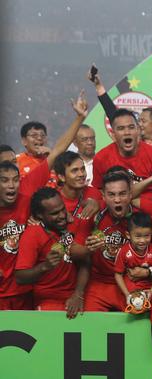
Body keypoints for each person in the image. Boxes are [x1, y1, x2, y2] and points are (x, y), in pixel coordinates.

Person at [0, 91, 88, 310]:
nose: (11, 185)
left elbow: (57, 150)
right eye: (4, 181)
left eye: (14, 180)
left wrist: (79, 118)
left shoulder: (28, 190)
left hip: (26, 291)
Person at [15, 188, 90, 317]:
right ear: (39, 215)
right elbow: (20, 277)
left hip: (77, 294)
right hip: (48, 299)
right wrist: (44, 267)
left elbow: (86, 263)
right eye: (55, 213)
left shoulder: (72, 224)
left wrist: (78, 294)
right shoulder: (33, 234)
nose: (61, 216)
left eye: (62, 209)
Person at [82, 170, 138, 311]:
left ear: (130, 194)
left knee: (140, 313)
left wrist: (147, 271)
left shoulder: (142, 218)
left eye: (122, 194)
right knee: (90, 323)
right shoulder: (94, 215)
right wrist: (87, 249)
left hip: (130, 281)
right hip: (99, 283)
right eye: (111, 194)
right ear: (103, 196)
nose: (117, 200)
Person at [92, 108, 152, 195]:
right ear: (113, 134)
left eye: (131, 127)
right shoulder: (101, 158)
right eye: (121, 128)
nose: (127, 132)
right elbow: (98, 192)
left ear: (138, 130)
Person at [114, 212, 152, 307]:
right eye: (138, 236)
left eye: (146, 236)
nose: (142, 240)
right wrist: (126, 294)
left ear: (151, 234)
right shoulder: (123, 252)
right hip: (129, 290)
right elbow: (118, 274)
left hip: (148, 290)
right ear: (128, 235)